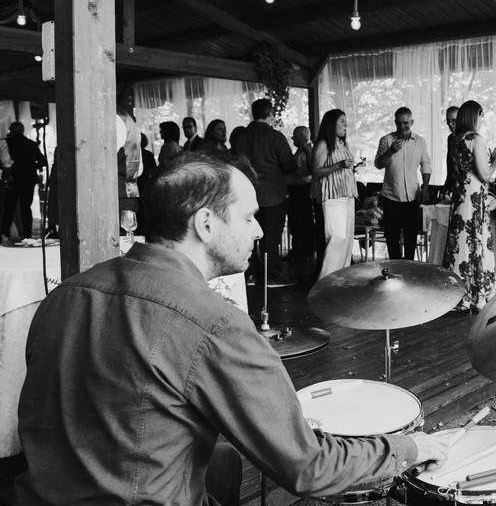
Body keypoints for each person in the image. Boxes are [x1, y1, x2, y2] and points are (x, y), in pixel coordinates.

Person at [16, 152, 451, 505]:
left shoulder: (65, 294)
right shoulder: (215, 324)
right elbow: (308, 467)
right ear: (206, 225)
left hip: (41, 492)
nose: (260, 231)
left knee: (222, 462)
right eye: (248, 218)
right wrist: (409, 449)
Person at [442, 101, 496, 312]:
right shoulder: (475, 139)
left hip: (461, 195)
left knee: (459, 240)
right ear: (473, 117)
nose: (482, 120)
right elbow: (485, 175)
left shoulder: (456, 140)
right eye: (481, 115)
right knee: (474, 238)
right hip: (474, 195)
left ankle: (458, 292)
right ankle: (477, 292)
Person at [235, 98, 297, 284]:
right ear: (270, 114)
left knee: (249, 236)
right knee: (271, 236)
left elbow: (236, 162)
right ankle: (272, 274)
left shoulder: (241, 137)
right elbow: (289, 166)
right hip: (273, 195)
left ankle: (250, 272)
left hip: (247, 194)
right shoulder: (276, 137)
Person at [375, 107, 432, 260]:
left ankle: (409, 271)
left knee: (410, 238)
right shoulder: (386, 140)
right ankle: (394, 271)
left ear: (411, 122)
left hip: (412, 197)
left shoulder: (420, 141)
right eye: (399, 123)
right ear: (395, 122)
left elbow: (426, 164)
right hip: (391, 197)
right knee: (392, 239)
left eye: (406, 123)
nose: (402, 126)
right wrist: (391, 151)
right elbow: (378, 164)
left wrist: (425, 187)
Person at [312, 111, 359, 277]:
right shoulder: (323, 144)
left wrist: (352, 168)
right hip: (333, 197)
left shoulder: (342, 144)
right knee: (336, 239)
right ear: (332, 123)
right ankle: (325, 281)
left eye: (346, 121)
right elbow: (316, 172)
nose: (346, 125)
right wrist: (339, 165)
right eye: (342, 121)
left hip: (347, 195)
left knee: (347, 241)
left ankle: (341, 279)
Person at [1, 122, 46, 241]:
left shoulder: (6, 143)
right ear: (22, 131)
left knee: (9, 207)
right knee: (26, 207)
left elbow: (3, 161)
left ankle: (4, 233)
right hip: (28, 179)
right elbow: (43, 162)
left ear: (11, 130)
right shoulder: (31, 144)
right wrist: (31, 166)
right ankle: (27, 234)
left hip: (13, 178)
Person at [286, 125, 316, 264]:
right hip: (296, 189)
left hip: (304, 189)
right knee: (295, 221)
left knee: (303, 221)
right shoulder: (300, 150)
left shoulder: (310, 149)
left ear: (302, 136)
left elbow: (313, 170)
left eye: (295, 135)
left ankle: (306, 251)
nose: (292, 138)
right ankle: (297, 249)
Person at [442, 105, 459, 198]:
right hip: (451, 188)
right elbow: (450, 165)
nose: (450, 124)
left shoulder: (469, 138)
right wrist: (446, 187)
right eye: (448, 121)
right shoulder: (450, 138)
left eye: (454, 120)